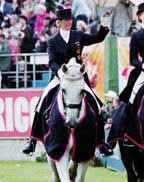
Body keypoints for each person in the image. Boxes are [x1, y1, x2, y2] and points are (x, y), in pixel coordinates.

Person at [22, 7, 112, 155]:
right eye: (65, 20)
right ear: (58, 23)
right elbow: (52, 62)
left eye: (70, 20)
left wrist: (104, 24)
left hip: (77, 78)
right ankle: (32, 140)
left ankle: (102, 143)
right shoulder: (53, 41)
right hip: (60, 77)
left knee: (97, 105)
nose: (68, 23)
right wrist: (60, 73)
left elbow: (98, 38)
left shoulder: (78, 35)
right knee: (41, 103)